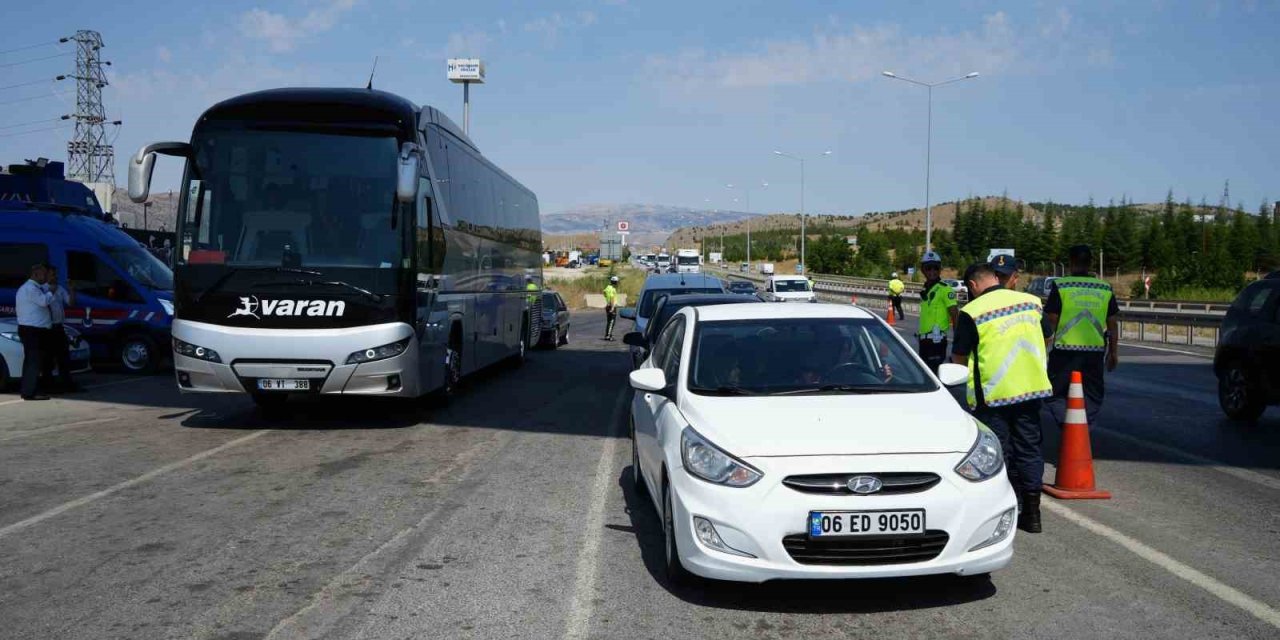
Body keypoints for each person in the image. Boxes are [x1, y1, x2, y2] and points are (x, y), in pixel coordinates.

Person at [951, 259, 1053, 533]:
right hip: (1031, 390)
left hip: (993, 397)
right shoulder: (1031, 302)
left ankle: (1006, 512)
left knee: (1000, 455)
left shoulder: (971, 311)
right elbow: (1047, 337)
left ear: (973, 285)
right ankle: (1033, 515)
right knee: (1029, 450)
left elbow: (959, 357)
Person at [1044, 245, 1119, 432]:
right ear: (1091, 263)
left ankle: (1069, 425)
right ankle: (1083, 424)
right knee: (1093, 394)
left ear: (1070, 262)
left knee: (1055, 393)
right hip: (1094, 352)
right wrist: (1113, 352)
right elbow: (1112, 323)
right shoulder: (1104, 288)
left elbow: (1051, 320)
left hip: (1064, 351)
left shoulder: (1061, 285)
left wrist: (1043, 348)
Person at [916, 251, 959, 374]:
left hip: (937, 341)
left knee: (933, 376)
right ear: (923, 270)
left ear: (940, 269)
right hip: (924, 341)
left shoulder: (945, 289)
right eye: (928, 268)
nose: (932, 271)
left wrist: (957, 343)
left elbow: (955, 315)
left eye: (936, 268)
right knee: (925, 375)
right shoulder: (926, 290)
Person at [16, 264, 53, 401]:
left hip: (34, 330)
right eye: (43, 275)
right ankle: (30, 392)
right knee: (33, 362)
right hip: (32, 331)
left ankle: (30, 389)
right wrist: (50, 291)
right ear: (35, 274)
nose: (45, 278)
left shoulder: (35, 288)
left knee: (33, 362)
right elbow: (43, 301)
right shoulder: (30, 289)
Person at [42, 265, 80, 393]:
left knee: (63, 356)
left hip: (59, 327)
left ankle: (67, 384)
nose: (55, 277)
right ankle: (49, 385)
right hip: (48, 328)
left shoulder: (60, 289)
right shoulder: (43, 289)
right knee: (48, 359)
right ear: (46, 276)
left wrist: (72, 290)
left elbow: (71, 303)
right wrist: (51, 292)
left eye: (56, 274)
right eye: (52, 274)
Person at [603, 275, 619, 341]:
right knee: (612, 321)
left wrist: (607, 302)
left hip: (608, 305)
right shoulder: (612, 289)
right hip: (611, 306)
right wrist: (612, 308)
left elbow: (604, 293)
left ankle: (607, 334)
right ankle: (608, 336)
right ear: (615, 282)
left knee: (609, 321)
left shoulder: (607, 288)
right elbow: (612, 298)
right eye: (617, 282)